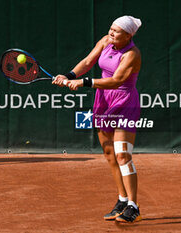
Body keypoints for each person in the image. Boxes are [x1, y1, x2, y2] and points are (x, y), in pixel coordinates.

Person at [53, 15, 142, 223]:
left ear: (128, 35)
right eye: (110, 28)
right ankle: (122, 200)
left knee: (123, 155)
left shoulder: (132, 54)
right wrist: (69, 76)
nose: (111, 33)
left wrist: (84, 83)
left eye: (116, 31)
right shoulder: (105, 41)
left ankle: (134, 206)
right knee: (110, 153)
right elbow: (87, 62)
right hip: (103, 101)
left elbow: (117, 80)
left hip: (125, 103)